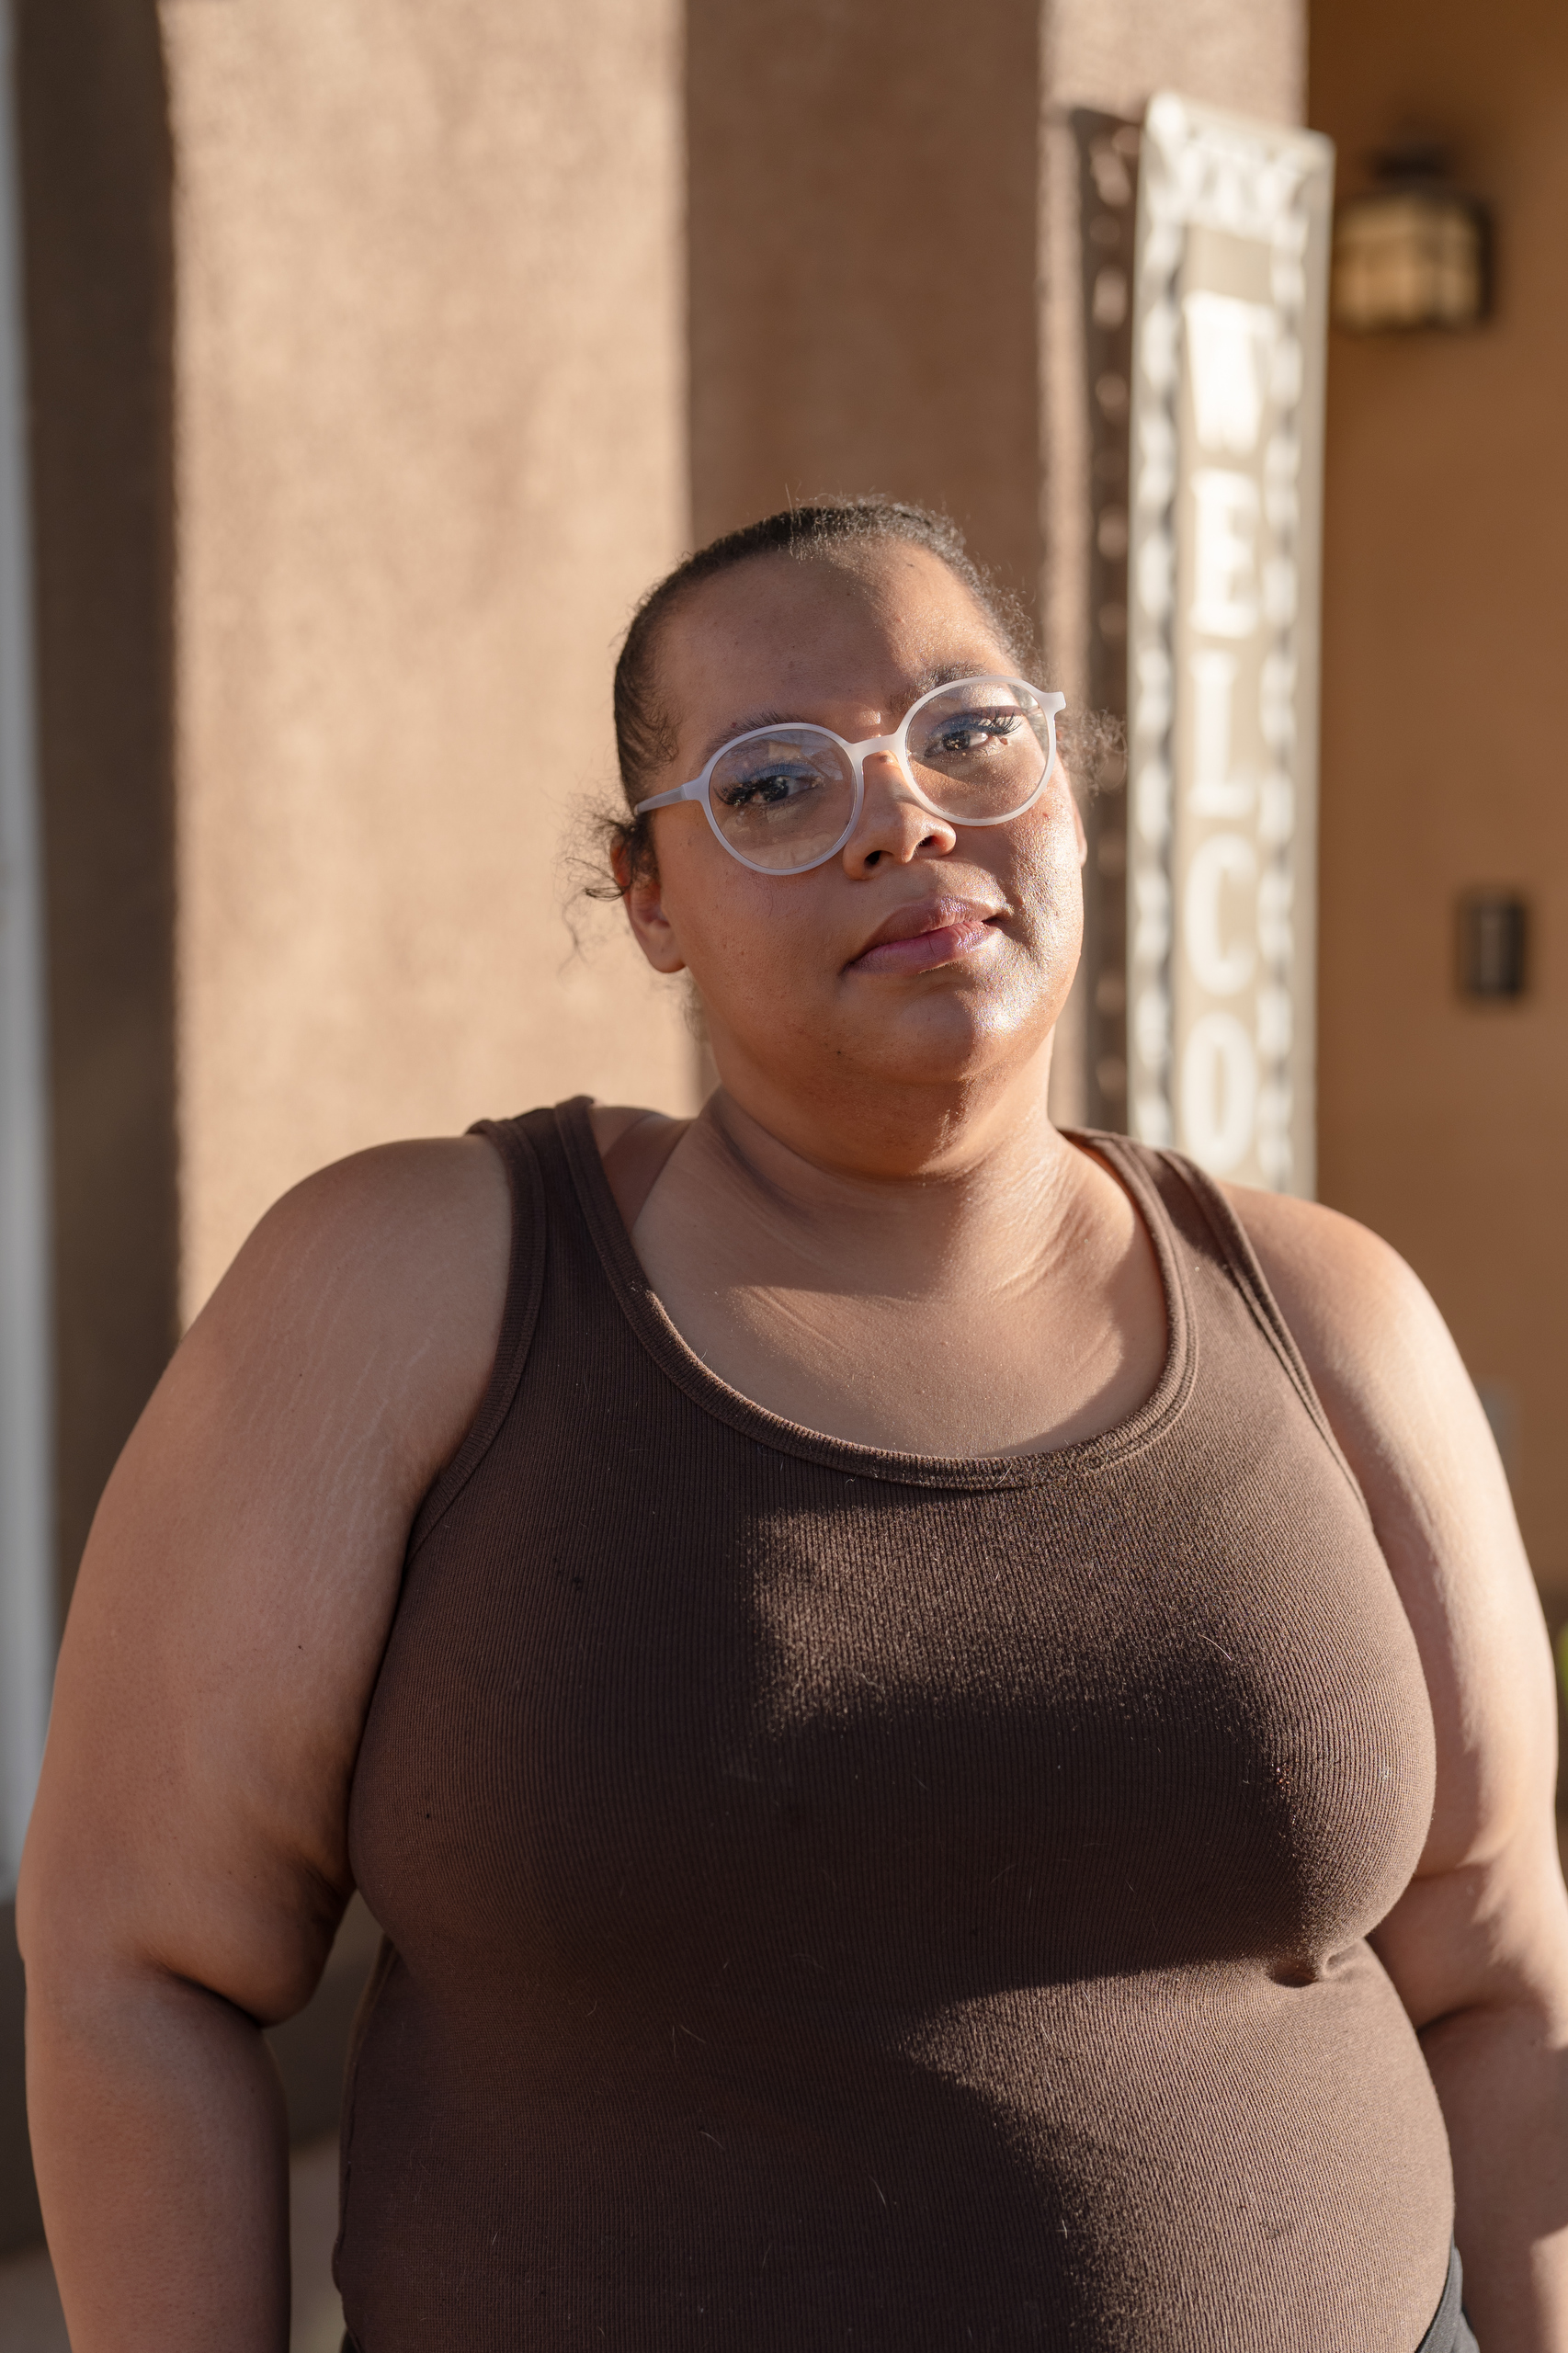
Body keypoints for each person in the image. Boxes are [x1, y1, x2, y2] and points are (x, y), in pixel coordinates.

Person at [18, 498, 1568, 2353]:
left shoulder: (1325, 1314)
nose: (903, 820)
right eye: (770, 784)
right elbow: (134, 1956)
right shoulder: (412, 1286)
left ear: (1068, 795)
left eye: (968, 731)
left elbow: (1495, 1971)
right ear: (649, 899)